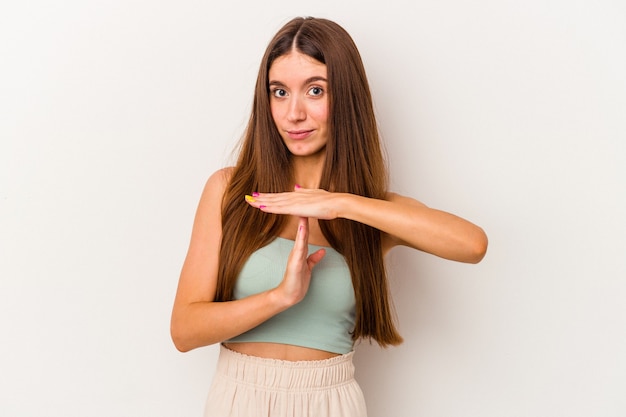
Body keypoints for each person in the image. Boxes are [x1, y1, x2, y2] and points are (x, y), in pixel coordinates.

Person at [170, 16, 488, 417]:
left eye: (315, 90)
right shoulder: (230, 192)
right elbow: (184, 330)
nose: (293, 113)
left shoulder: (372, 211)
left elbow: (473, 245)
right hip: (238, 399)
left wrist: (342, 204)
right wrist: (280, 298)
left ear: (346, 97)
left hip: (329, 402)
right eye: (280, 92)